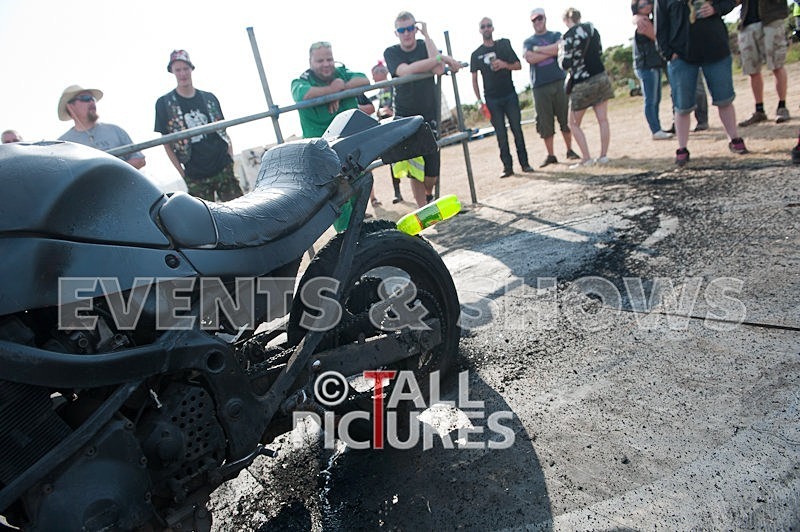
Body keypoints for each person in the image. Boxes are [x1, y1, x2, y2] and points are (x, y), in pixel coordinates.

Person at [383, 11, 462, 207]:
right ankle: (423, 210)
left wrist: (427, 35)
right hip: (405, 116)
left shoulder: (424, 46)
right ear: (396, 33)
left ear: (416, 29)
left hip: (429, 113)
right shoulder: (391, 52)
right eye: (402, 30)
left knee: (431, 173)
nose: (407, 33)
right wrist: (441, 57)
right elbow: (404, 71)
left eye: (411, 28)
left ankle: (428, 196)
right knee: (414, 168)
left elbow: (437, 70)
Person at [655, 0, 747, 166]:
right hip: (682, 56)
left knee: (724, 99)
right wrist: (668, 54)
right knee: (682, 107)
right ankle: (682, 149)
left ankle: (734, 139)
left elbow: (731, 2)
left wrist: (715, 8)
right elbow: (660, 27)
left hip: (715, 49)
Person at [155, 50, 242, 202]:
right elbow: (166, 143)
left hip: (223, 166)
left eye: (185, 69)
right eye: (178, 69)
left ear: (191, 69)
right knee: (204, 222)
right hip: (195, 174)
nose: (182, 73)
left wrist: (230, 158)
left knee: (239, 212)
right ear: (172, 72)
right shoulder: (164, 104)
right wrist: (183, 174)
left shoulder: (209, 98)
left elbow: (224, 131)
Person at [470, 16, 534, 178]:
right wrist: (479, 102)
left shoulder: (504, 45)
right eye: (483, 26)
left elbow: (519, 65)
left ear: (493, 28)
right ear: (479, 30)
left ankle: (525, 164)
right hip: (491, 99)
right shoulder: (476, 54)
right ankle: (507, 167)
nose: (486, 29)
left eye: (488, 26)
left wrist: (504, 64)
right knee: (500, 134)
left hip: (509, 94)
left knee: (517, 130)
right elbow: (474, 79)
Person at [523, 8, 580, 168]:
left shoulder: (555, 35)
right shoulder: (528, 41)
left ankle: (570, 150)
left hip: (559, 81)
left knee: (565, 118)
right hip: (540, 86)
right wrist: (551, 52)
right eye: (534, 20)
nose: (538, 22)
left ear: (545, 19)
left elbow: (560, 48)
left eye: (540, 18)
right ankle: (551, 155)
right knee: (545, 123)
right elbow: (530, 58)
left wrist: (540, 50)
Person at [560, 8, 614, 167]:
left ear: (566, 21)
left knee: (574, 123)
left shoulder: (568, 37)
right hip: (600, 76)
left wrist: (559, 52)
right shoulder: (593, 31)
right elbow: (599, 51)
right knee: (603, 119)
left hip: (581, 82)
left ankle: (586, 157)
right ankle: (603, 155)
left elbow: (565, 64)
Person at [291, 42, 371, 138]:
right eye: (320, 61)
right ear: (310, 62)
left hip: (355, 136)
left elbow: (364, 80)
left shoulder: (341, 73)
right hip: (320, 145)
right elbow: (304, 95)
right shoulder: (300, 81)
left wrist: (341, 90)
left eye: (329, 59)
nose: (326, 64)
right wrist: (332, 90)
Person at [57, 85, 145, 169]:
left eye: (92, 99)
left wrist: (111, 173)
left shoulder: (115, 130)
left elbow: (139, 160)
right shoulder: (63, 144)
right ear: (70, 106)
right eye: (85, 98)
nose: (91, 102)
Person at [736, 0, 790, 126]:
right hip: (747, 22)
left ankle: (782, 107)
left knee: (777, 65)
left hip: (771, 20)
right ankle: (759, 111)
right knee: (752, 70)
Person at [632, 0, 672, 140]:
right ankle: (656, 130)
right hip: (646, 65)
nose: (647, 6)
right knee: (651, 99)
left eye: (649, 3)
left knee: (655, 98)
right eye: (642, 5)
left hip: (653, 64)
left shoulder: (647, 19)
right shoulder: (643, 21)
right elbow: (657, 37)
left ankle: (657, 128)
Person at [371, 61, 405, 204]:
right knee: (392, 161)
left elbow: (402, 104)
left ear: (383, 74)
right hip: (386, 128)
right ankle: (398, 192)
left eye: (375, 76)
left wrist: (392, 112)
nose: (373, 79)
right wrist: (380, 112)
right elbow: (379, 108)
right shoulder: (380, 91)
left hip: (398, 125)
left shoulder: (394, 87)